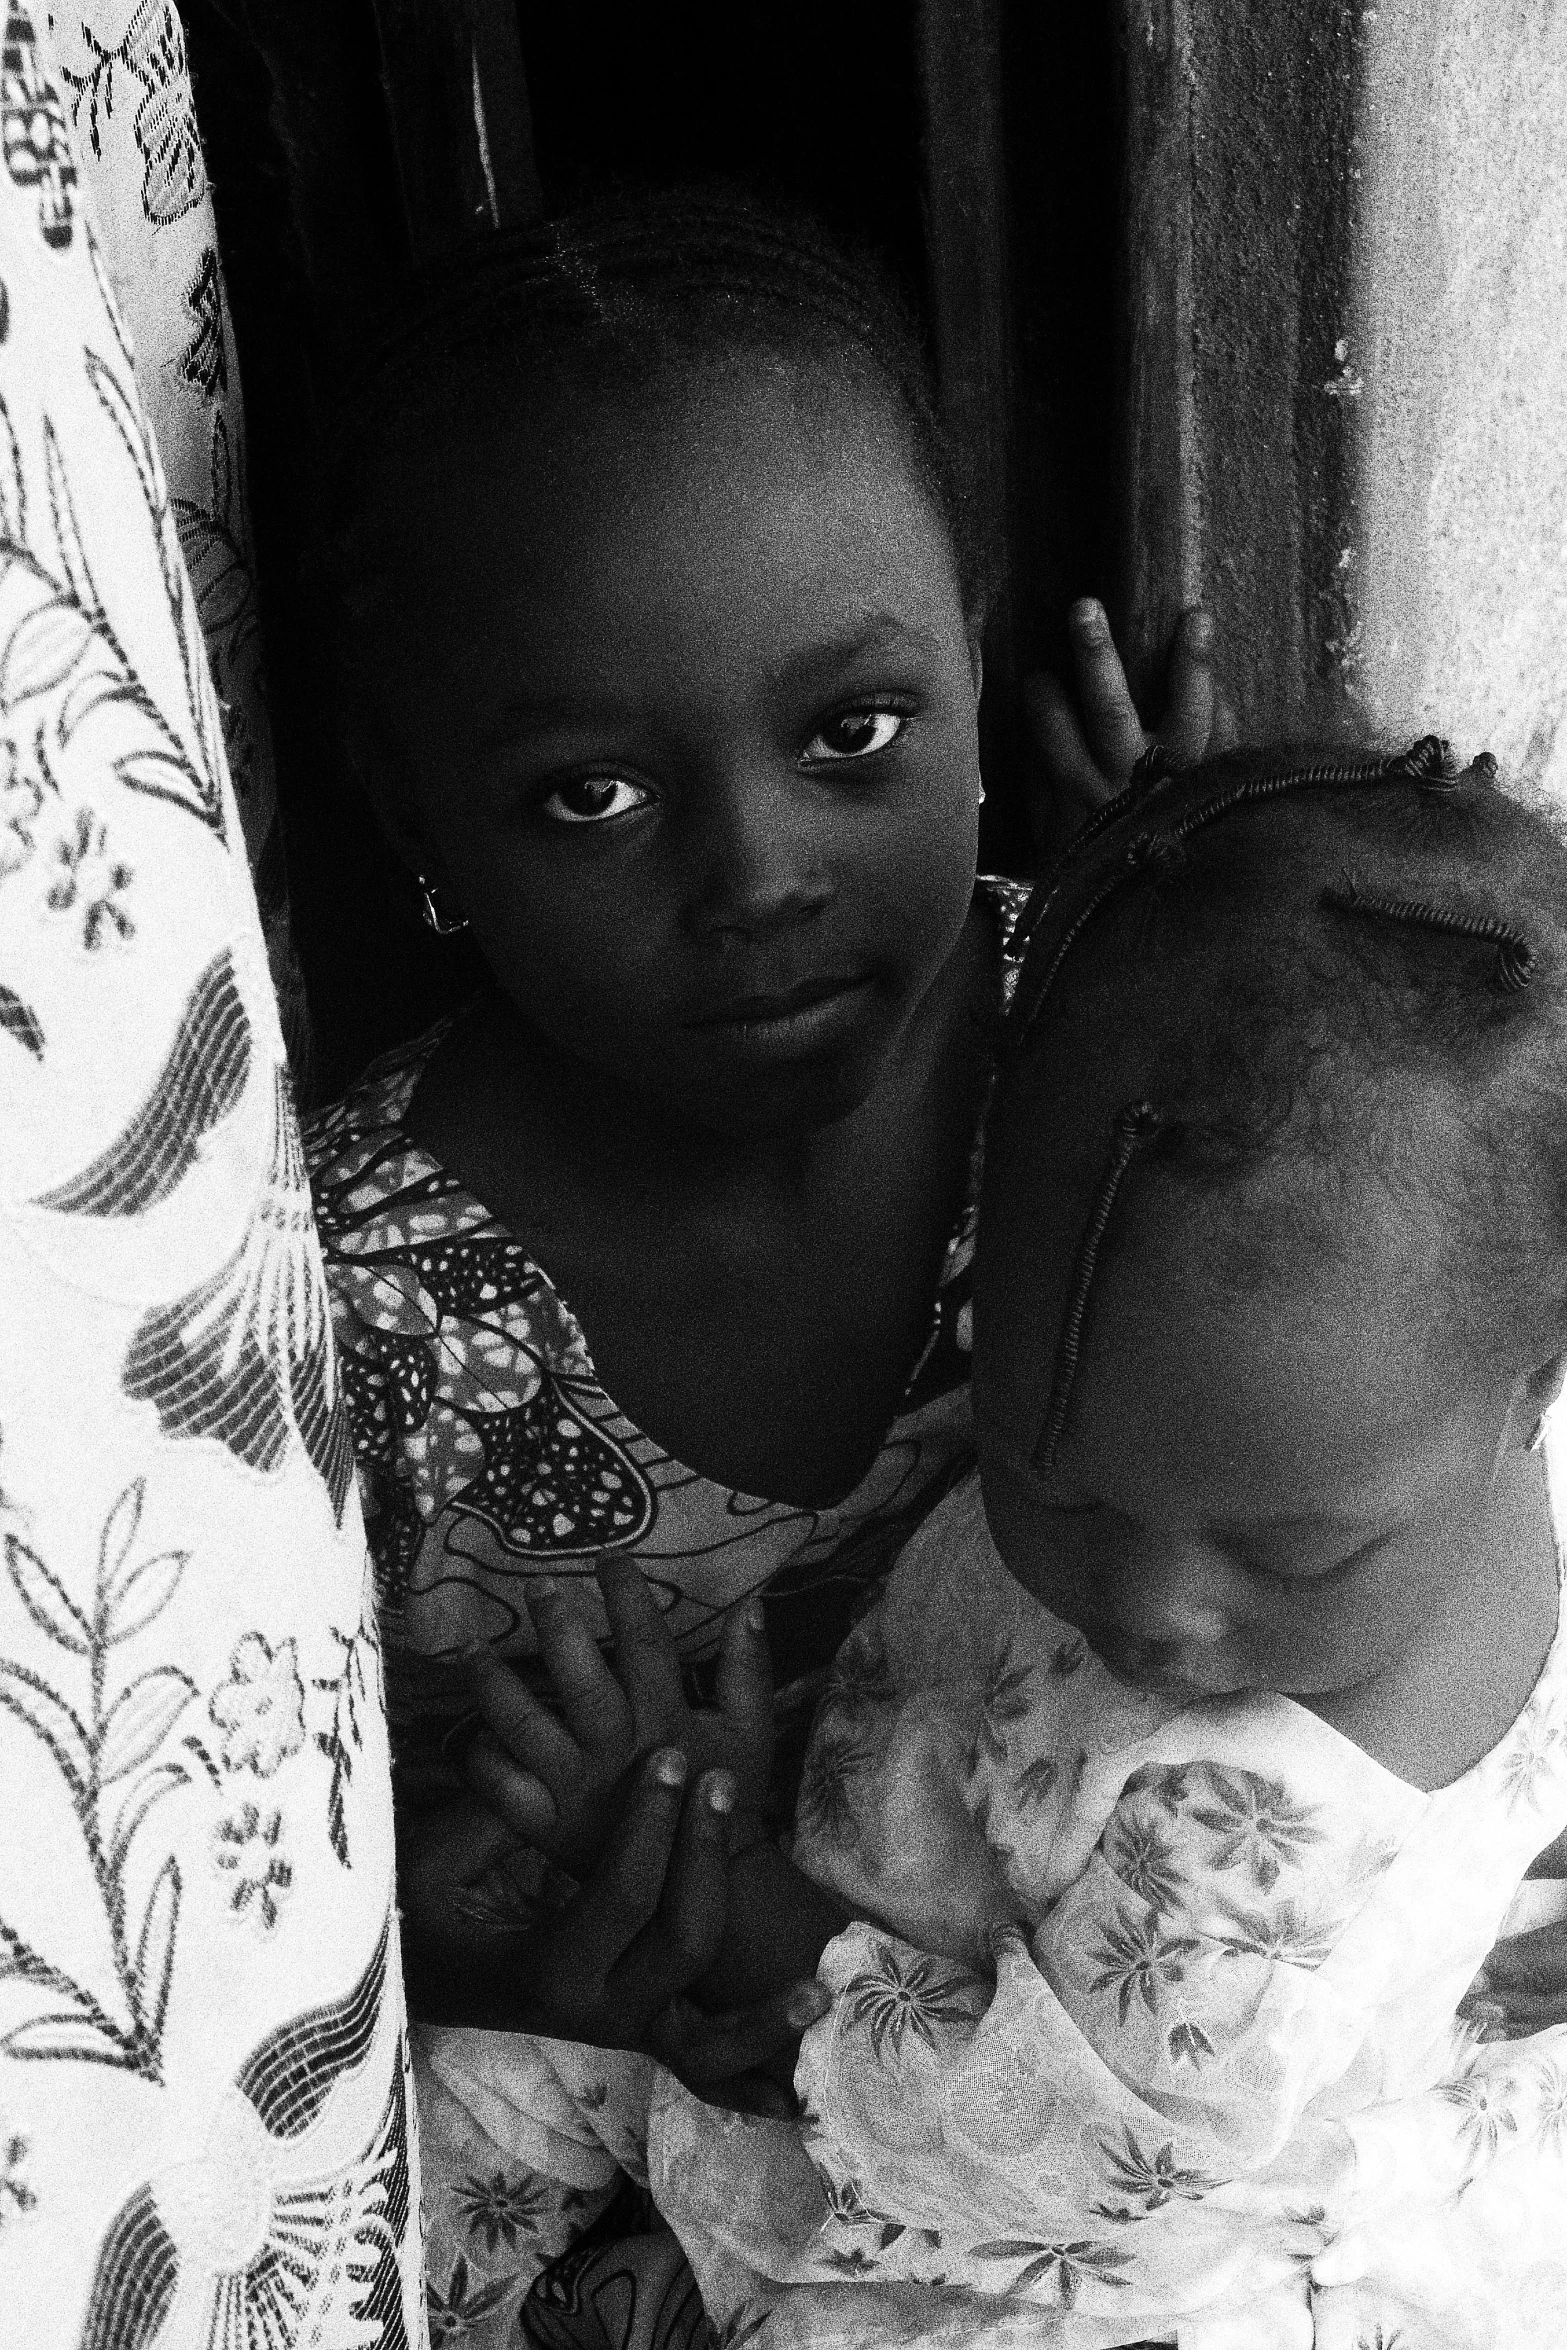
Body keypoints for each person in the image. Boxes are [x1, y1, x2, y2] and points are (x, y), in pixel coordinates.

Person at [301, 184, 1221, 2336]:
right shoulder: (346, 1300)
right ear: (414, 813)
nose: (763, 877)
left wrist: (1201, 975)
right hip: (634, 2175)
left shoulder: (1115, 1079)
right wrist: (525, 1947)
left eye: (852, 734)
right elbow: (295, 1906)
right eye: (592, 793)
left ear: (971, 654)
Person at [471, 735, 1567, 2347]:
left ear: (1529, 1389)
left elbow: (1027, 2142)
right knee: (469, 2071)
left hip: (1059, 2207)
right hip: (930, 1909)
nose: (1158, 1613)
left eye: (1287, 1555)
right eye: (1058, 1486)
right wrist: (1142, 872)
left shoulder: (1244, 1874)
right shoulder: (1400, 1405)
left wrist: (698, 1858)